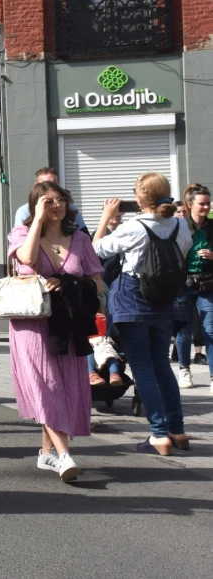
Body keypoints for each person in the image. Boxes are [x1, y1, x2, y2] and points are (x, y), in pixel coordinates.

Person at [8, 182, 103, 482]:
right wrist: (37, 219)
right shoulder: (21, 234)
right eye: (48, 201)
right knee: (46, 387)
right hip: (33, 327)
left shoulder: (80, 239)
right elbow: (25, 259)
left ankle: (46, 453)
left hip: (70, 325)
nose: (56, 205)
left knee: (65, 387)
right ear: (36, 205)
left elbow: (97, 283)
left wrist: (71, 283)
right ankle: (64, 456)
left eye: (60, 199)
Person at [94, 174, 192, 455]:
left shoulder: (134, 226)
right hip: (166, 300)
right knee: (162, 363)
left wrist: (105, 217)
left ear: (139, 198)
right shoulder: (180, 224)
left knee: (142, 367)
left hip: (133, 297)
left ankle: (159, 435)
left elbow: (96, 250)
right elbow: (183, 251)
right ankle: (178, 430)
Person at [174, 183, 210, 389]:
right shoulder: (179, 226)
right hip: (184, 283)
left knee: (210, 330)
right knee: (184, 330)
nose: (206, 208)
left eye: (208, 204)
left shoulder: (212, 226)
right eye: (202, 204)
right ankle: (184, 369)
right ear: (190, 205)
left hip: (208, 283)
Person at [13, 167, 89, 232]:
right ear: (36, 186)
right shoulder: (24, 212)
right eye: (45, 184)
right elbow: (20, 241)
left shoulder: (70, 209)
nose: (50, 188)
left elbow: (86, 238)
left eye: (54, 184)